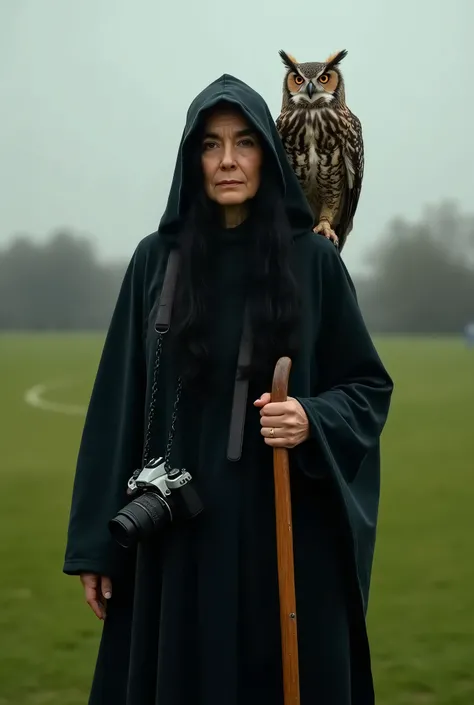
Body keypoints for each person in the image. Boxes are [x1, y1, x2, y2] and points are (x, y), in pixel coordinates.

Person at [63, 74, 393, 705]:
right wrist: (94, 546)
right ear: (192, 158)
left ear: (267, 152)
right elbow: (117, 402)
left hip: (282, 538)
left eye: (244, 142)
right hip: (174, 538)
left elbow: (367, 385)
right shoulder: (155, 260)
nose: (228, 160)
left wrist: (310, 418)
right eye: (211, 146)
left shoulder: (314, 261)